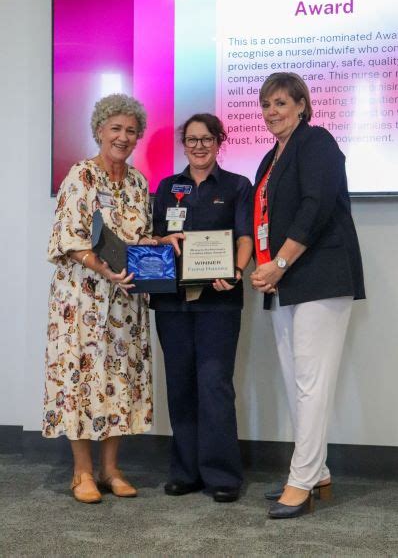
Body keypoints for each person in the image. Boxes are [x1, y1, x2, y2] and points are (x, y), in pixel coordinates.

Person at [250, 73, 365, 519]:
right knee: (296, 381)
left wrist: (279, 262)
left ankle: (301, 481)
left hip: (318, 276)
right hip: (284, 282)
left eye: (280, 103)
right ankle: (316, 472)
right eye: (265, 105)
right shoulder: (269, 158)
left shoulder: (316, 141)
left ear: (301, 104)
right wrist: (266, 268)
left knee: (311, 385)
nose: (271, 112)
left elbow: (316, 206)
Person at [43, 93, 156, 503]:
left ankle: (110, 470)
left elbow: (140, 237)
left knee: (118, 380)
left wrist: (160, 245)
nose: (123, 137)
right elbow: (69, 239)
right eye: (116, 129)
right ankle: (82, 472)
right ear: (99, 131)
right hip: (83, 301)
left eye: (130, 130)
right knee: (80, 379)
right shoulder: (80, 176)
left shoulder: (139, 182)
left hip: (124, 302)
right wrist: (103, 267)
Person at [150, 113, 253, 503]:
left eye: (206, 139)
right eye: (191, 140)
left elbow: (245, 237)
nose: (198, 146)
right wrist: (162, 240)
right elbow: (155, 237)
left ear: (219, 141)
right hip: (172, 303)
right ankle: (186, 472)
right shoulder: (167, 187)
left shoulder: (237, 186)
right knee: (180, 386)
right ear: (184, 144)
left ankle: (223, 475)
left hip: (219, 301)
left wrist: (238, 270)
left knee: (214, 385)